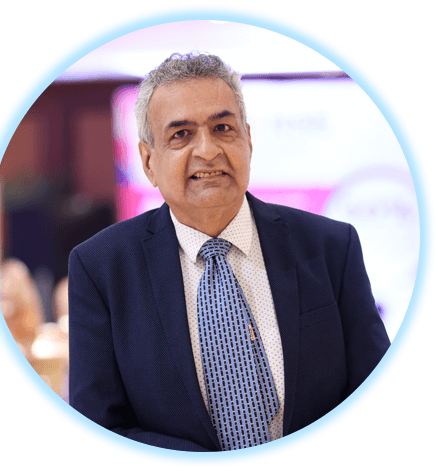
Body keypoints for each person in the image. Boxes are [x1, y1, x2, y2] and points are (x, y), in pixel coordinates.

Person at [68, 52, 390, 452]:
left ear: (248, 141)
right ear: (148, 162)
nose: (207, 150)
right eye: (181, 134)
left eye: (222, 128)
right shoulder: (100, 268)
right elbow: (100, 427)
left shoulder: (331, 247)